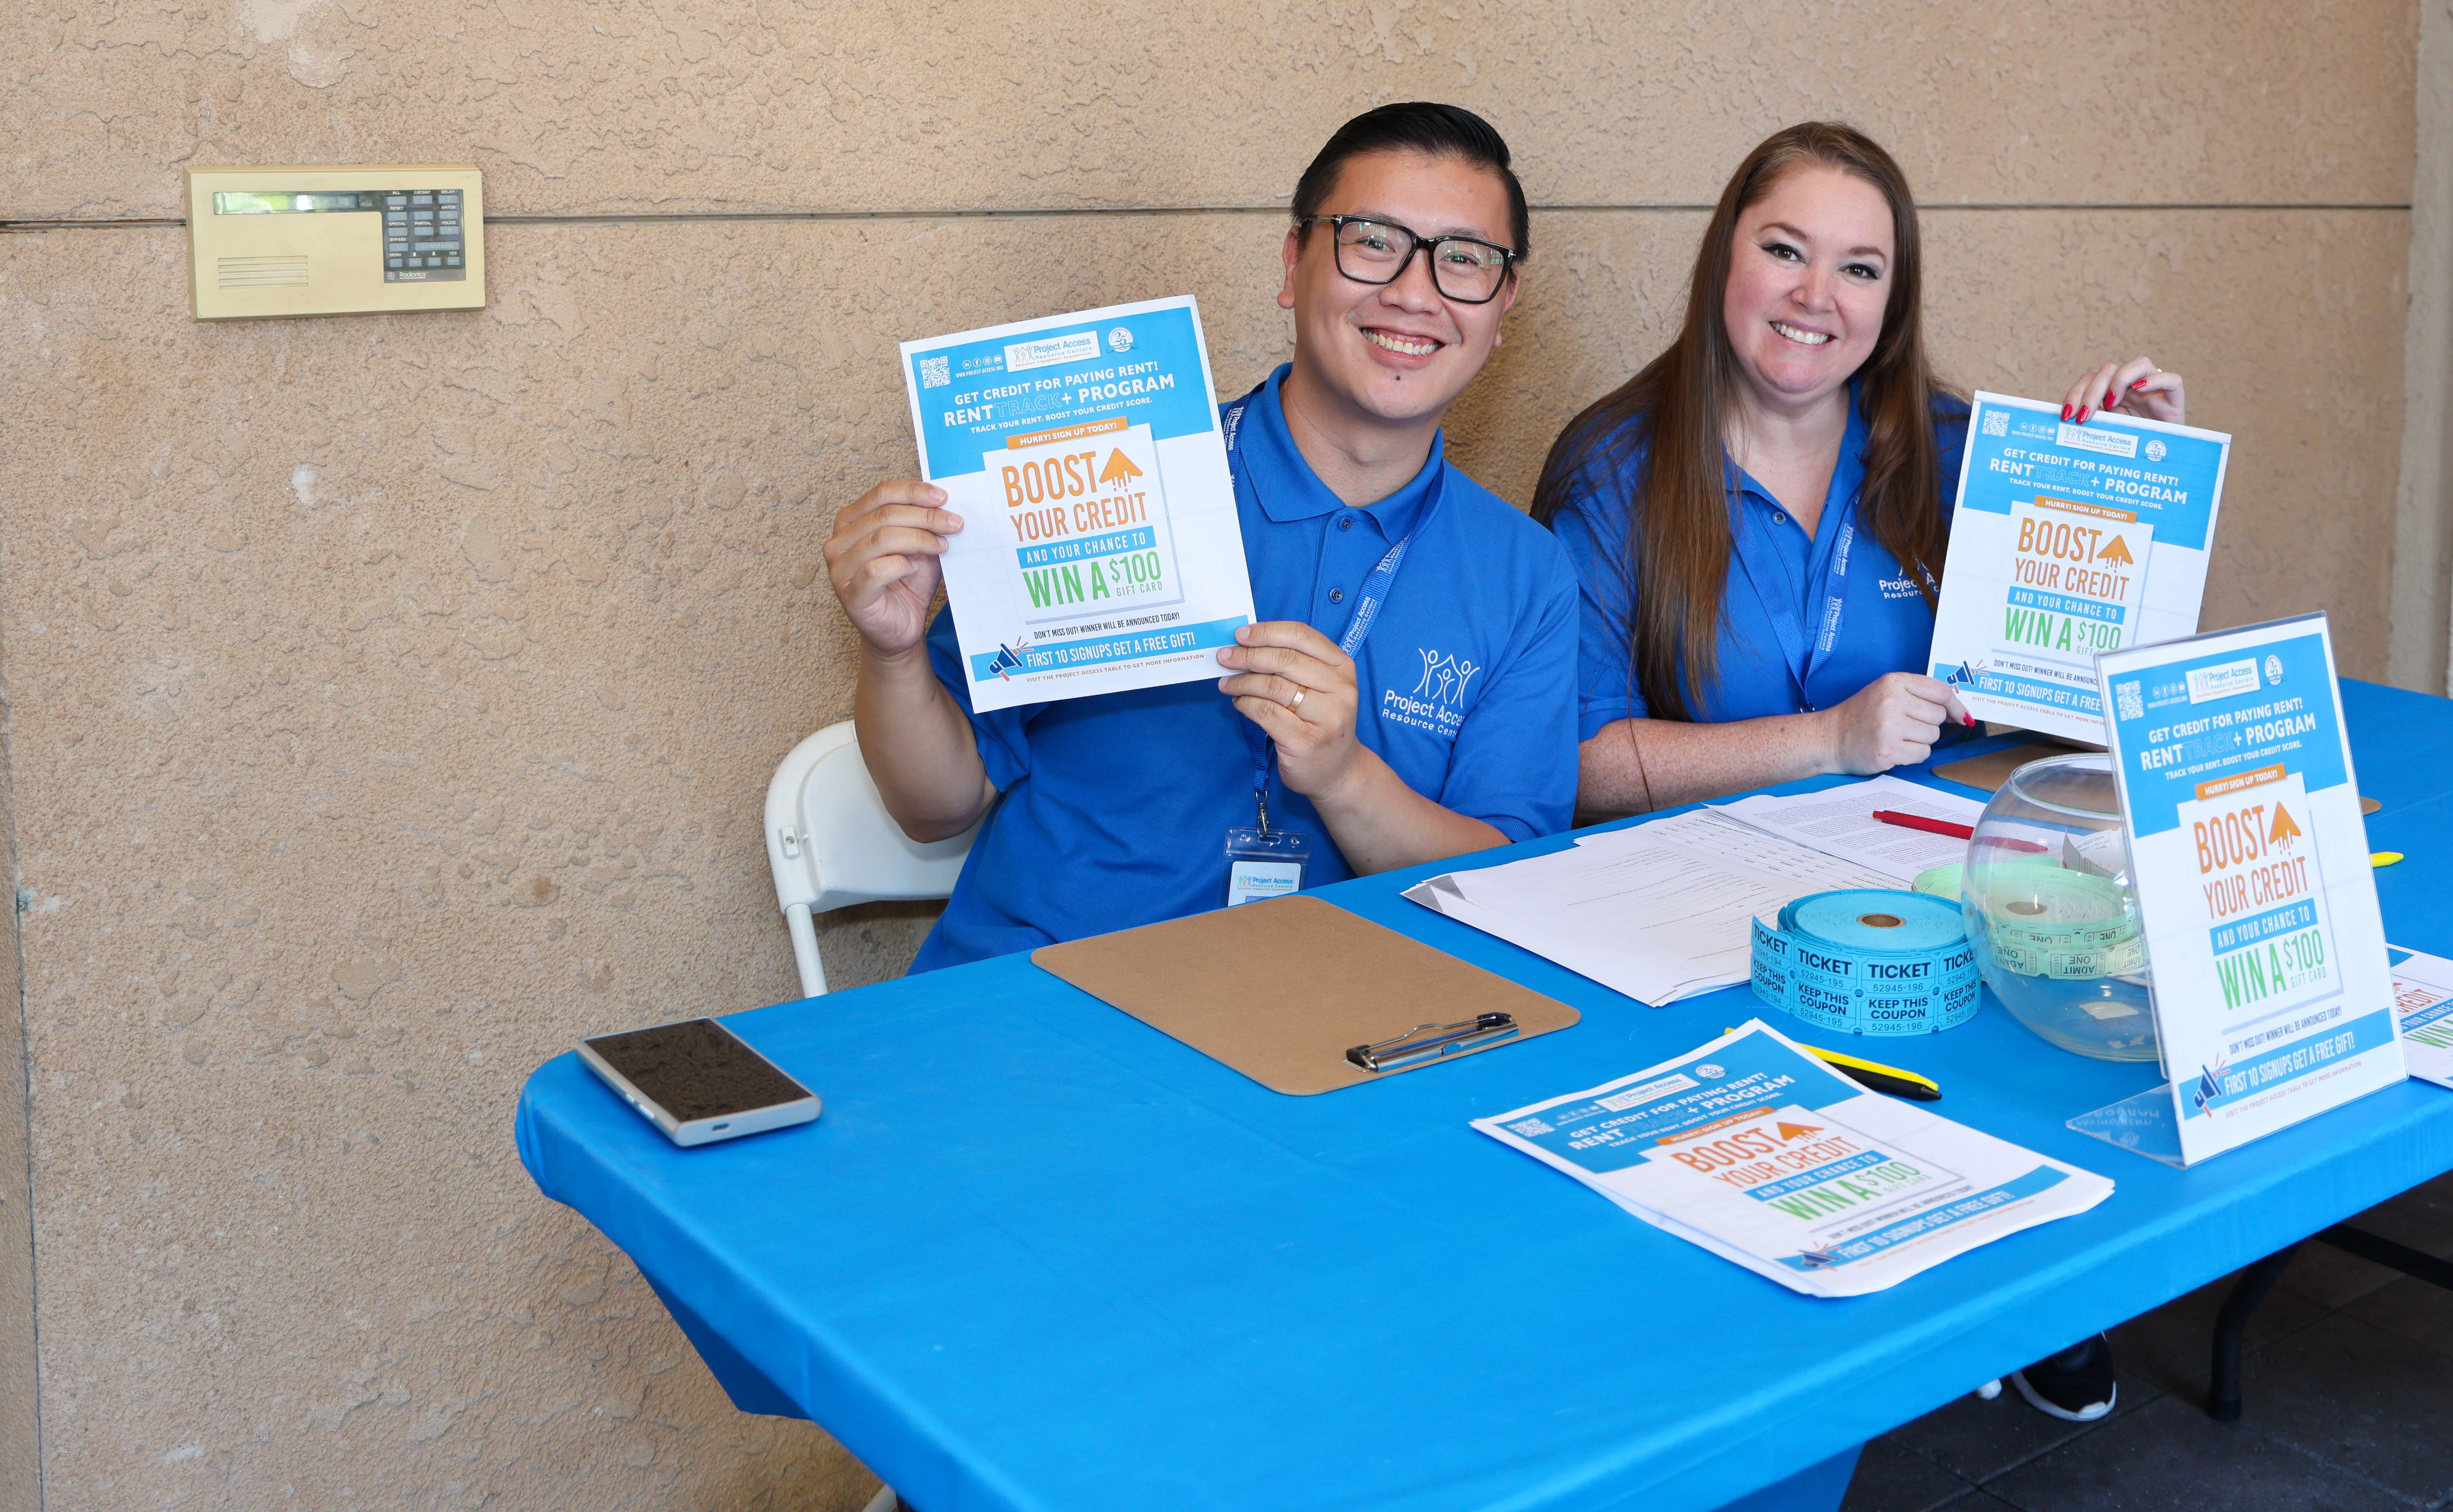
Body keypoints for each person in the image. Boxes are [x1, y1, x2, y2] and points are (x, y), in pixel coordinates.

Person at [1531, 119, 2187, 1423]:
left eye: (1860, 269)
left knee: (2075, 943)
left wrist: (2129, 496)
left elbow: (2087, 717)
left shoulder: (1964, 451)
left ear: (1896, 300)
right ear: (1727, 257)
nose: (1816, 298)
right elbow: (1581, 768)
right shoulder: (1611, 471)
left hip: (1933, 883)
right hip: (1703, 907)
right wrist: (1824, 740)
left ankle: (2031, 1288)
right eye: (1785, 250)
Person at [824, 102, 1579, 969]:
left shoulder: (1527, 574)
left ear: (1502, 302)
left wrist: (1344, 777)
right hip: (1043, 1001)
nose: (1415, 291)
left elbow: (1504, 887)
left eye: (1464, 259)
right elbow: (937, 807)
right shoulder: (1116, 477)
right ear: (1294, 263)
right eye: (1373, 240)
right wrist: (891, 653)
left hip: (1332, 1025)